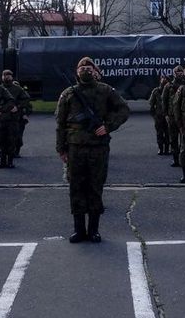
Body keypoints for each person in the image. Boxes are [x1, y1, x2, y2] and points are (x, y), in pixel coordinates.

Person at [56, 57, 129, 243]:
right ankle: (79, 230)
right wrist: (61, 148)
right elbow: (60, 123)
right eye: (82, 67)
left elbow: (123, 110)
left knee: (95, 187)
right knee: (76, 188)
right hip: (75, 148)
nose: (85, 70)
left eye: (89, 67)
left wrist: (108, 126)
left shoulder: (105, 90)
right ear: (77, 71)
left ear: (95, 70)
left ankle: (94, 230)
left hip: (98, 148)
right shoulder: (68, 94)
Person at [0, 69, 31, 168]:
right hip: (1, 119)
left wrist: (18, 107)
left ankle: (10, 161)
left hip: (13, 119)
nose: (7, 77)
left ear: (12, 77)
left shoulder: (18, 89)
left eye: (9, 75)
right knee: (1, 141)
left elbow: (26, 99)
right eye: (5, 75)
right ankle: (2, 161)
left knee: (12, 140)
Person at [162, 65, 185, 167]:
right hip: (172, 116)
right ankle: (176, 160)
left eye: (181, 72)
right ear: (174, 73)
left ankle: (183, 159)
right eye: (177, 72)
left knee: (184, 139)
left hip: (184, 116)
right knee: (173, 138)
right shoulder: (169, 86)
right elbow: (164, 101)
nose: (179, 73)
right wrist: (166, 114)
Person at [148, 75, 170, 155]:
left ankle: (167, 149)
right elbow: (151, 103)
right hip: (159, 116)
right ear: (160, 80)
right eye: (163, 78)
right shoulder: (156, 91)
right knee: (159, 133)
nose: (164, 80)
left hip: (168, 116)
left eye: (166, 79)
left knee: (168, 133)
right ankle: (160, 148)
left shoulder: (170, 90)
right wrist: (154, 116)